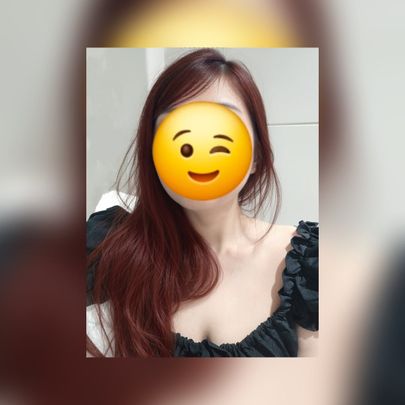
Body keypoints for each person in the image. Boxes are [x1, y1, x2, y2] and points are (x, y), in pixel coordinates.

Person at [86, 48, 318, 357]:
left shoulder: (308, 262)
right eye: (177, 128)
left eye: (223, 125)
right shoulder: (112, 246)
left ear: (255, 155)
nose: (200, 145)